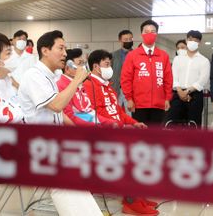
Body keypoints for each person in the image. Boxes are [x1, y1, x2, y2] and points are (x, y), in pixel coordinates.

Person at [18, 30, 103, 216]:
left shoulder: (51, 75)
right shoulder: (34, 76)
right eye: (61, 48)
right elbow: (56, 105)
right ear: (45, 50)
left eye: (65, 48)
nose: (65, 54)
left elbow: (58, 113)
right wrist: (77, 79)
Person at [121, 19, 173, 125]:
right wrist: (129, 99)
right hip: (138, 104)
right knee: (140, 136)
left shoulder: (163, 55)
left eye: (153, 31)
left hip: (159, 104)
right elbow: (126, 78)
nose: (149, 34)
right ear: (141, 34)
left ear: (156, 34)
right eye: (146, 31)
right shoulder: (132, 55)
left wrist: (167, 98)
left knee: (156, 135)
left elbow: (168, 79)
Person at [83, 49, 147, 129]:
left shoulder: (107, 86)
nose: (110, 68)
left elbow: (118, 110)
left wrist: (134, 123)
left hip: (118, 128)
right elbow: (96, 113)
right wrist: (122, 126)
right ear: (95, 66)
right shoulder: (89, 85)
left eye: (110, 64)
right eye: (107, 64)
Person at [57, 48, 118, 126]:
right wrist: (95, 127)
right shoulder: (61, 86)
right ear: (68, 68)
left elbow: (90, 111)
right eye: (80, 63)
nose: (83, 67)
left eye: (83, 63)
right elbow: (69, 116)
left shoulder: (80, 84)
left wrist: (109, 122)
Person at [166, 30, 210, 126]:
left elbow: (202, 80)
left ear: (199, 43)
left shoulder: (204, 61)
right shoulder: (178, 59)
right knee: (172, 123)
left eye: (196, 40)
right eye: (190, 39)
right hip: (177, 94)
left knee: (193, 124)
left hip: (195, 96)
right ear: (186, 40)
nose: (193, 42)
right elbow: (174, 76)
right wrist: (180, 91)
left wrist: (187, 91)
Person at [111, 30, 133, 110]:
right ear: (120, 40)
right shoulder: (113, 55)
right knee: (115, 112)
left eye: (130, 39)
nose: (128, 41)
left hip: (131, 90)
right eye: (126, 39)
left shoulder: (136, 54)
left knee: (130, 114)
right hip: (116, 87)